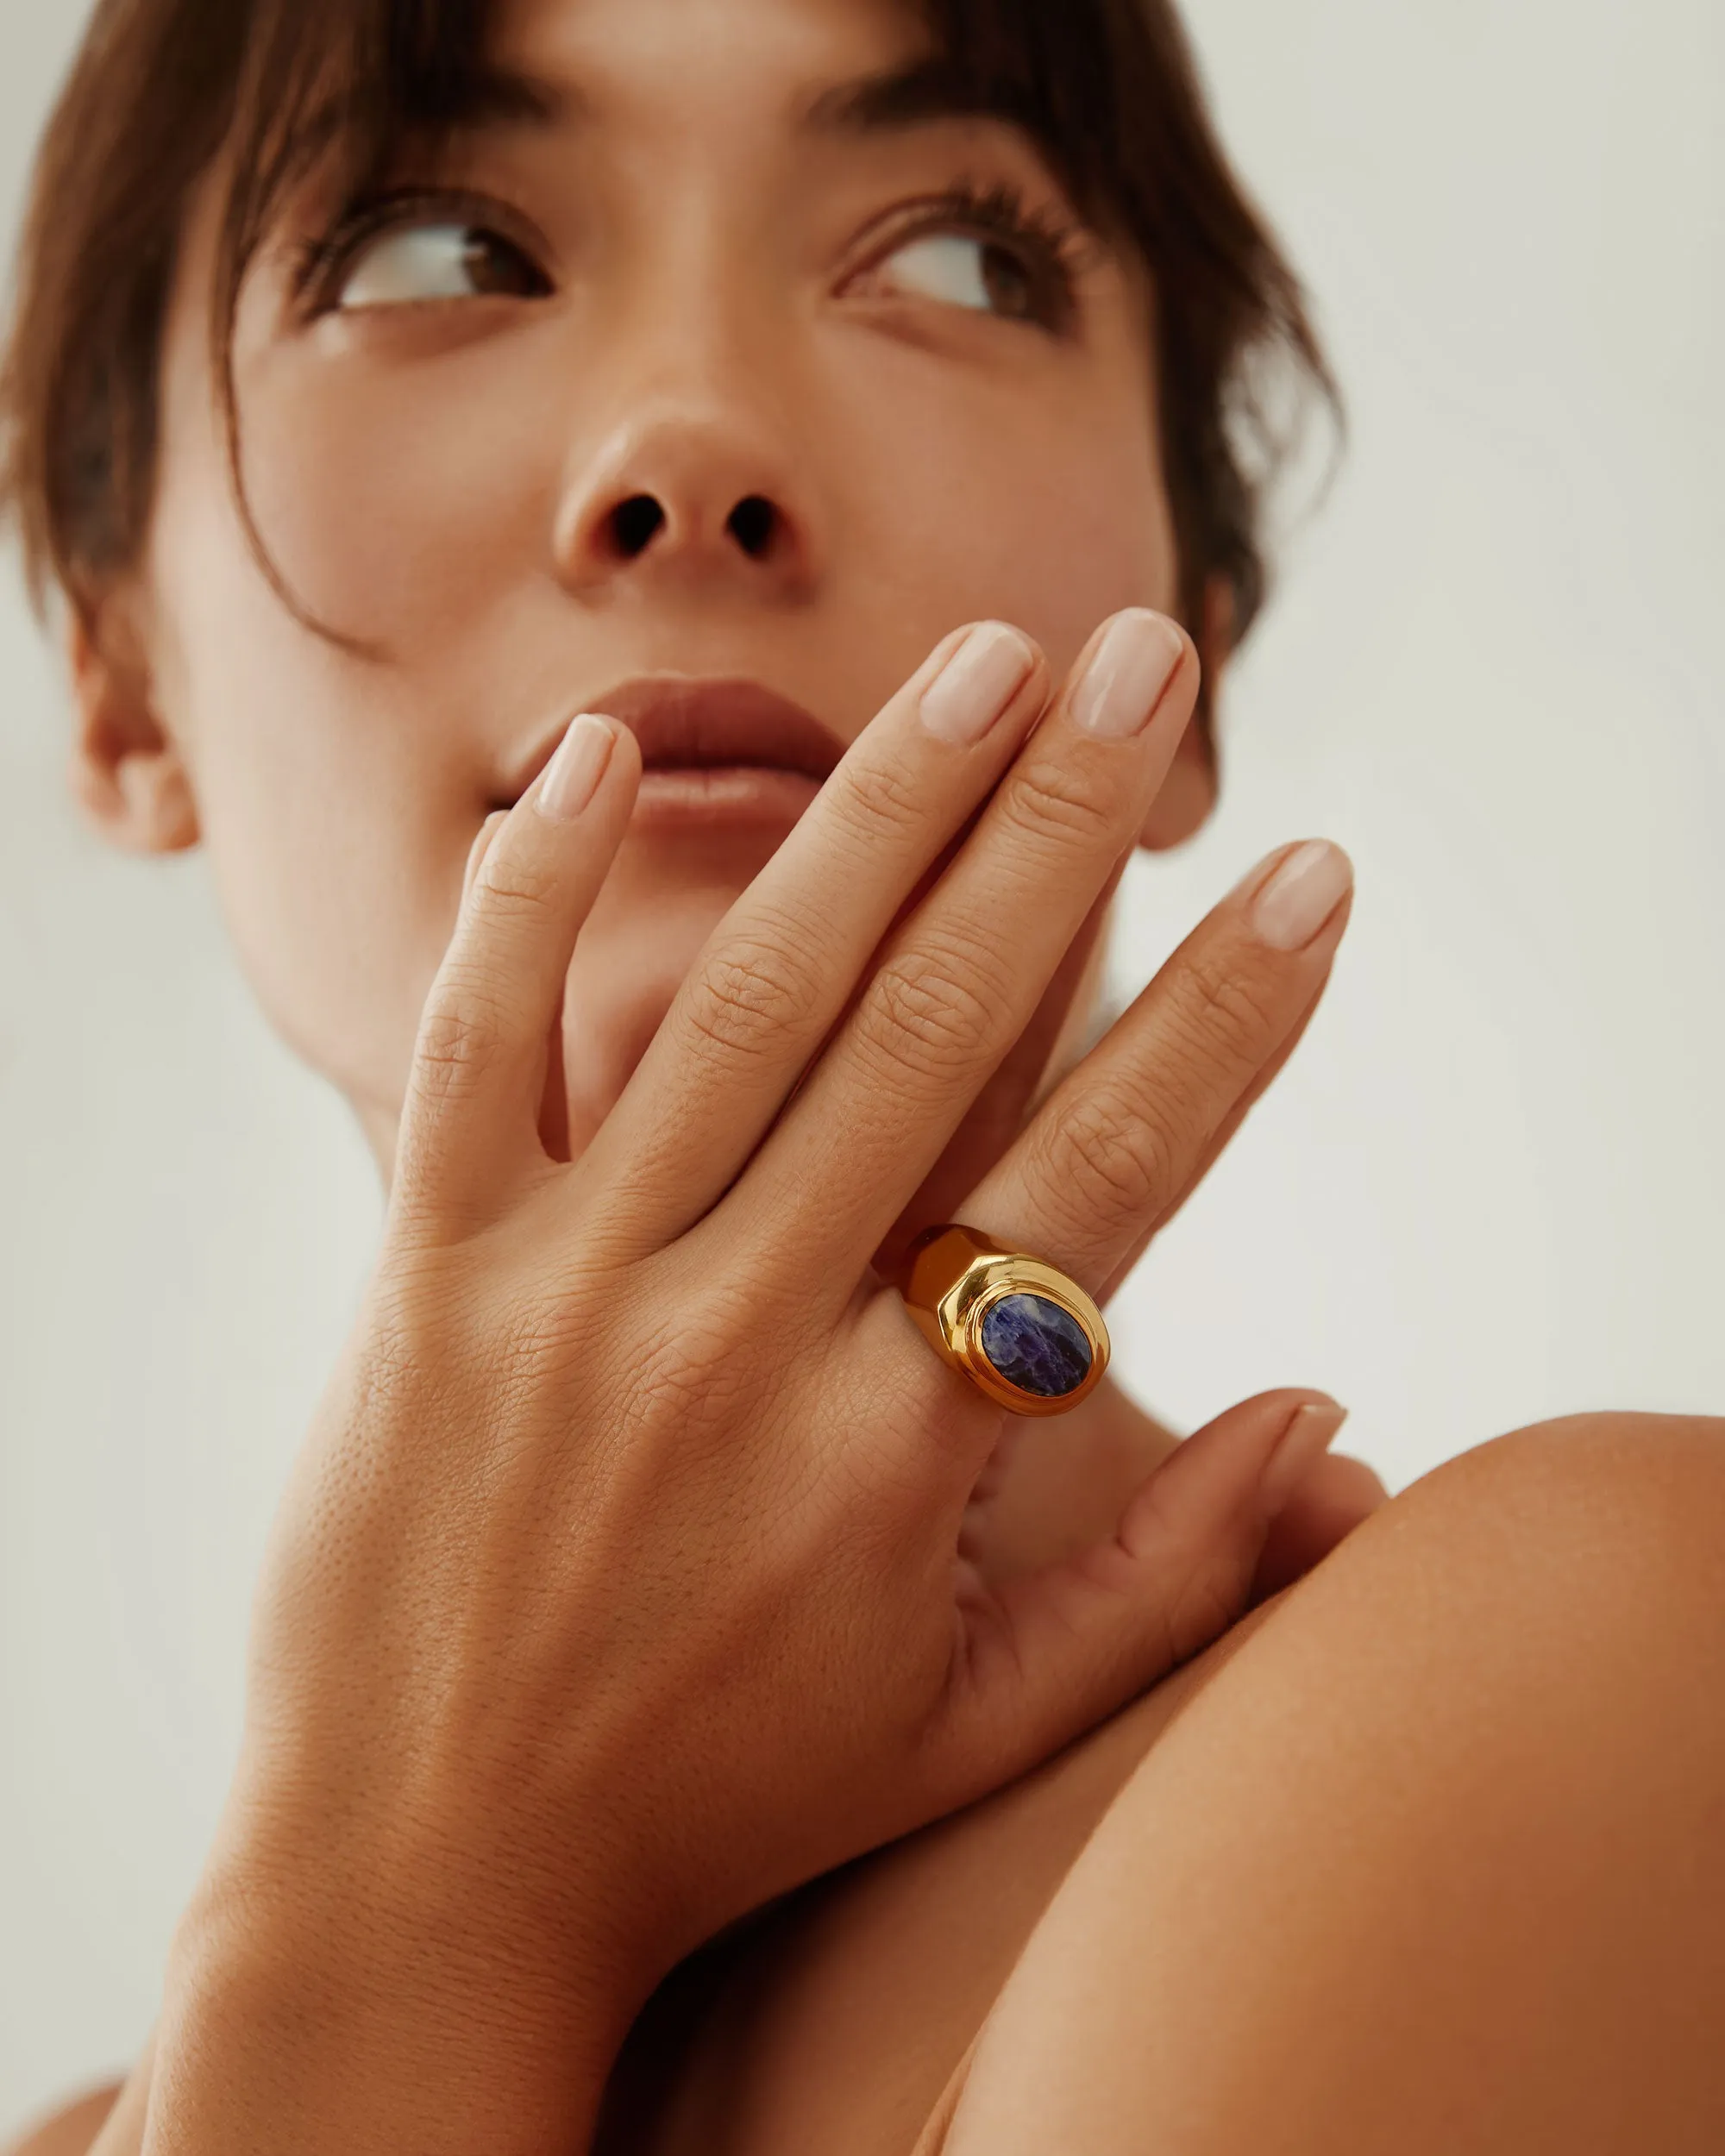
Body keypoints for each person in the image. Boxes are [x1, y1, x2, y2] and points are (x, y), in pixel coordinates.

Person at [4, 0, 1723, 2149]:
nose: (693, 444)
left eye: (957, 259)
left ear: (1193, 628)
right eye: (437, 252)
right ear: (112, 655)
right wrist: (386, 1914)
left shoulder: (1587, 1690)